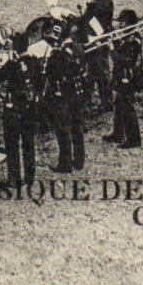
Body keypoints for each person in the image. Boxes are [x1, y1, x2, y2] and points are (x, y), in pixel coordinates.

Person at [0, 34, 37, 190]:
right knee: (28, 143)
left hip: (14, 110)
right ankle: (30, 176)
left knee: (12, 144)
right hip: (30, 109)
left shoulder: (13, 64)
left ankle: (14, 179)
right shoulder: (34, 62)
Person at [44, 23, 85, 173]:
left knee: (62, 128)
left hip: (64, 93)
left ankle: (65, 163)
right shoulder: (79, 48)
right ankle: (79, 160)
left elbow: (50, 71)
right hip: (78, 92)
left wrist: (53, 55)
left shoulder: (60, 53)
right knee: (77, 127)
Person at [104, 10, 143, 149]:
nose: (120, 25)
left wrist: (111, 50)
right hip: (122, 75)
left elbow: (125, 60)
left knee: (127, 105)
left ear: (129, 23)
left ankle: (134, 139)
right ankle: (118, 133)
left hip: (129, 76)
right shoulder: (126, 36)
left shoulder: (133, 39)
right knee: (118, 102)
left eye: (122, 22)